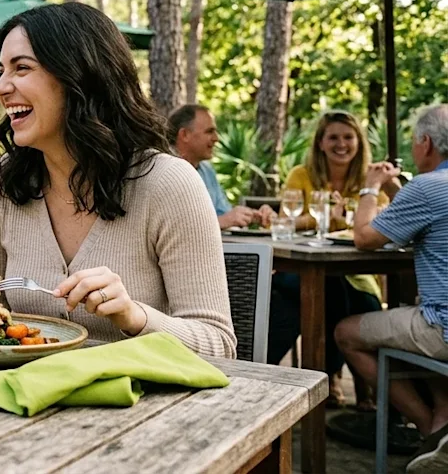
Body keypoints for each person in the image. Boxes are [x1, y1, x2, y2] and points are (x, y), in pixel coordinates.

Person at [0, 3, 236, 358]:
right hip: (19, 399)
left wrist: (133, 316)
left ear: (79, 76)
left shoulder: (169, 184)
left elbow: (219, 345)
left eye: (21, 68)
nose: (0, 87)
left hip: (136, 405)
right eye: (0, 71)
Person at [337, 105, 448, 473]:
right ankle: (444, 422)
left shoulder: (428, 187)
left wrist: (370, 187)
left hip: (442, 327)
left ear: (426, 143)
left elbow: (364, 237)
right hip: (431, 319)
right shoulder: (425, 189)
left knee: (347, 332)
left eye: (415, 142)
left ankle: (429, 429)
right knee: (405, 319)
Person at [271, 110, 387, 409]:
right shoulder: (302, 174)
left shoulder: (370, 181)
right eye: (333, 137)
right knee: (332, 294)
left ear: (358, 143)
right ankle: (337, 378)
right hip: (304, 268)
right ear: (320, 143)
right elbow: (286, 222)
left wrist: (348, 217)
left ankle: (353, 380)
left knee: (366, 304)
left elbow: (383, 222)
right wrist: (322, 219)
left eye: (348, 137)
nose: (341, 144)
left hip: (356, 271)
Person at [168, 104, 274, 230]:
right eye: (209, 132)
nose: (216, 138)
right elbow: (176, 228)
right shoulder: (165, 171)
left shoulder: (206, 170)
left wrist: (253, 216)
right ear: (184, 134)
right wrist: (223, 221)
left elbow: (224, 213)